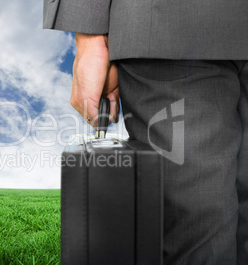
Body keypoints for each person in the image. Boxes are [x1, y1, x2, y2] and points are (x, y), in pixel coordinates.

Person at [43, 0, 248, 264]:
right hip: (170, 32)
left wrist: (89, 38)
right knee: (194, 234)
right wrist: (90, 39)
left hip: (165, 31)